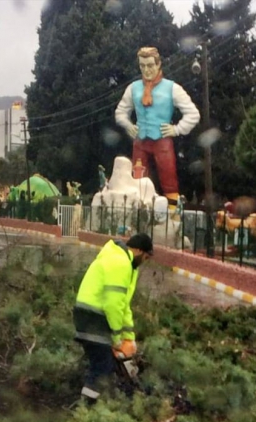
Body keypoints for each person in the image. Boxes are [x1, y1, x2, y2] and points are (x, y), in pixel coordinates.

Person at [73, 233, 154, 401]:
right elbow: (113, 305)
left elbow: (123, 306)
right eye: (145, 257)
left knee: (105, 364)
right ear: (139, 250)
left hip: (89, 315)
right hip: (94, 318)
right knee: (101, 367)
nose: (144, 261)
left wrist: (129, 338)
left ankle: (100, 403)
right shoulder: (121, 263)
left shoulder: (122, 261)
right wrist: (117, 339)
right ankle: (86, 408)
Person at [115, 46, 200, 205]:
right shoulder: (133, 88)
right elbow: (120, 112)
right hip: (140, 141)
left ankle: (173, 213)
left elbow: (193, 114)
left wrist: (176, 129)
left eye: (150, 65)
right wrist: (128, 125)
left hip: (162, 140)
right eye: (142, 66)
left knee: (169, 177)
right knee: (138, 180)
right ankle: (139, 210)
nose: (146, 70)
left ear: (158, 64)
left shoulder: (172, 88)